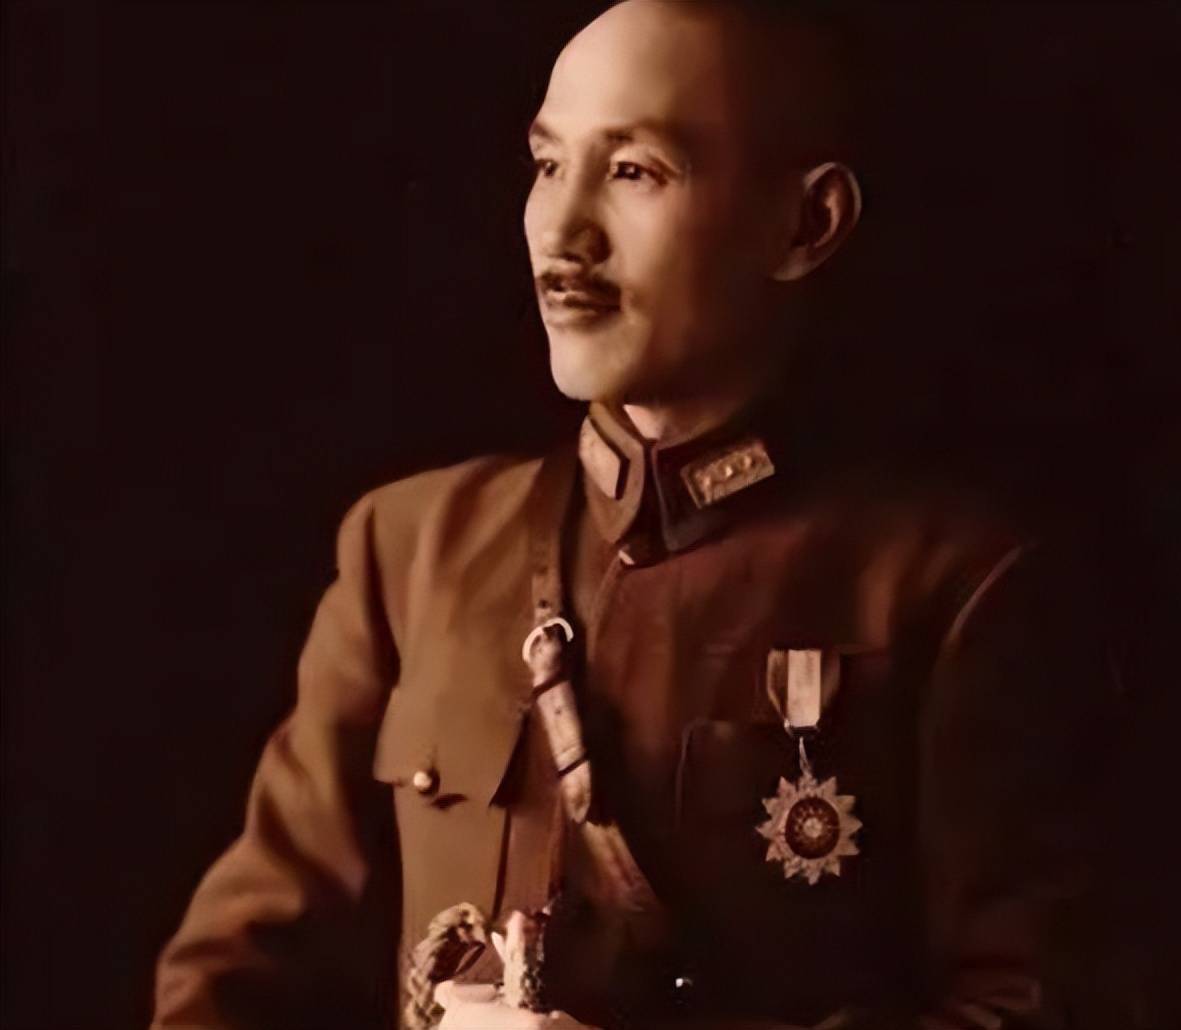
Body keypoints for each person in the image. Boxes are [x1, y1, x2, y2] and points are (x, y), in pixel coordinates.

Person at [153, 2, 1115, 1028]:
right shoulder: (411, 550)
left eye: (632, 171)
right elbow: (232, 981)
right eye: (547, 164)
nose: (561, 234)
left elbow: (1037, 1006)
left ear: (806, 224)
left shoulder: (949, 587)